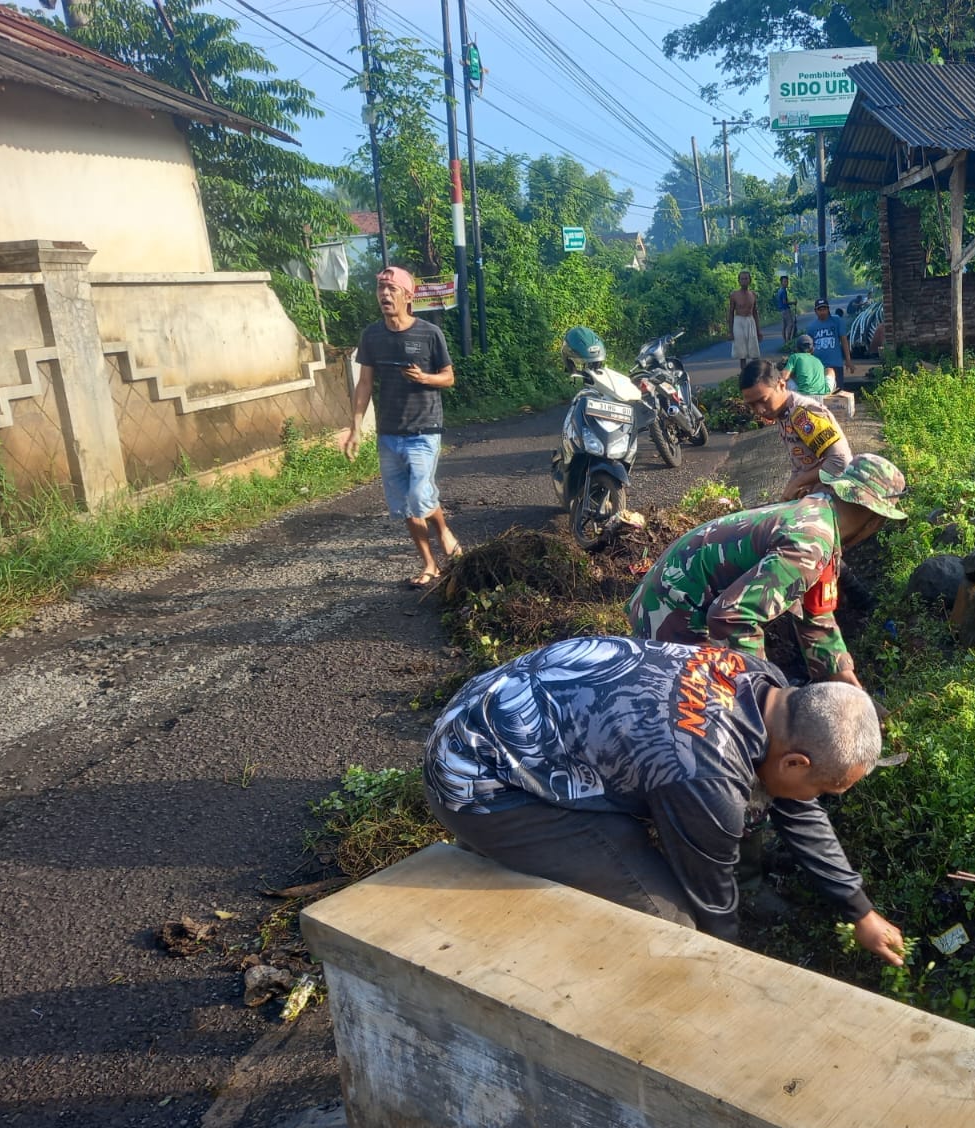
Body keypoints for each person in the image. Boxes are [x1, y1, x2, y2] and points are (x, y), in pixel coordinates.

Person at [423, 635, 905, 962]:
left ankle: (517, 860)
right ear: (796, 762)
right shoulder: (705, 773)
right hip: (474, 778)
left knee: (624, 842)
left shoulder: (764, 683)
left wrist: (859, 910)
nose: (817, 799)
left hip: (492, 710)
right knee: (670, 922)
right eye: (824, 787)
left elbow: (799, 808)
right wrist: (727, 968)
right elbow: (712, 899)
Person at [625, 454, 907, 689]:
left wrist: (847, 684)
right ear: (876, 520)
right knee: (706, 710)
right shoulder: (810, 544)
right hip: (671, 611)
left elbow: (817, 618)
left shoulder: (818, 520)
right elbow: (732, 617)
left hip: (670, 598)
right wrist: (764, 690)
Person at [342, 267, 461, 588]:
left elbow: (449, 377)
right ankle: (430, 564)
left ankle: (443, 530)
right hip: (389, 433)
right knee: (406, 505)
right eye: (381, 288)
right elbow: (364, 384)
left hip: (424, 429)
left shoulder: (429, 333)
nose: (384, 294)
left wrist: (425, 378)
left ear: (409, 296)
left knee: (419, 494)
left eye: (392, 289)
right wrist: (355, 427)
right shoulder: (371, 336)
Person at [739, 358, 851, 501]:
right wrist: (786, 496)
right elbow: (801, 465)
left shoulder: (803, 414)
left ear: (781, 385)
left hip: (838, 499)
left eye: (763, 400)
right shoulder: (784, 414)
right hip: (817, 497)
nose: (759, 410)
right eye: (752, 405)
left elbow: (840, 462)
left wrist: (798, 483)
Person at [781, 332, 856, 419]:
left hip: (803, 396)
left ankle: (783, 408)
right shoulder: (817, 361)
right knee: (830, 370)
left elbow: (784, 377)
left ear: (797, 349)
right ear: (812, 349)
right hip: (822, 397)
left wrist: (784, 370)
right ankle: (831, 392)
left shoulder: (794, 357)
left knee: (785, 379)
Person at [804, 298, 853, 392]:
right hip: (819, 365)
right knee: (821, 392)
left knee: (838, 392)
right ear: (815, 311)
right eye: (820, 310)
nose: (822, 312)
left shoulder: (836, 321)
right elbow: (809, 348)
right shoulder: (811, 327)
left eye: (824, 309)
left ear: (828, 309)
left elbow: (844, 340)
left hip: (835, 363)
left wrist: (848, 360)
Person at [728, 270, 761, 368]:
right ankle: (743, 372)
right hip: (739, 321)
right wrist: (730, 332)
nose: (744, 281)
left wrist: (758, 331)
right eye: (742, 279)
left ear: (750, 280)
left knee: (754, 350)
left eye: (746, 278)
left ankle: (756, 372)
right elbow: (731, 313)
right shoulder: (734, 295)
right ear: (739, 281)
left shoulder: (753, 294)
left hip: (750, 321)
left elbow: (755, 312)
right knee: (742, 352)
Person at [775, 273, 796, 342]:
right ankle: (788, 340)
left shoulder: (779, 290)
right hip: (785, 309)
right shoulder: (783, 291)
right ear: (781, 282)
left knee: (784, 325)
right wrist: (793, 303)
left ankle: (785, 340)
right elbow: (785, 302)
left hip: (781, 310)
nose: (786, 283)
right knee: (790, 324)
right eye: (785, 282)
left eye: (787, 281)